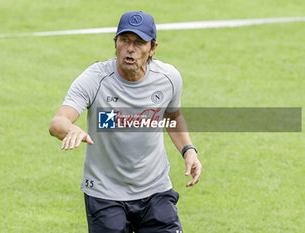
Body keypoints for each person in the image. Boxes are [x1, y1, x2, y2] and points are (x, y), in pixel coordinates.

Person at [49, 11, 202, 233]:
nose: (130, 49)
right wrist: (71, 129)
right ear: (116, 43)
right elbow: (58, 122)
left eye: (139, 42)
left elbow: (172, 117)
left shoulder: (168, 78)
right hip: (105, 194)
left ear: (153, 48)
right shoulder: (95, 79)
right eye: (124, 40)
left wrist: (189, 151)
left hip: (155, 190)